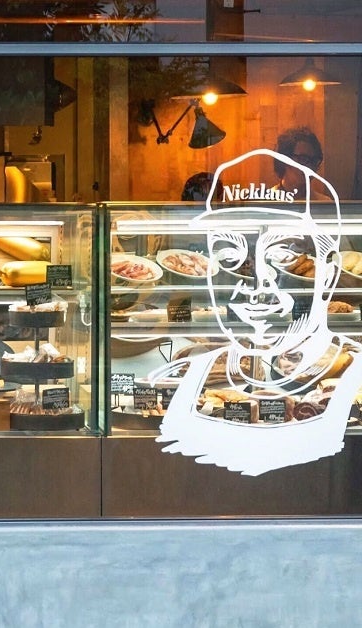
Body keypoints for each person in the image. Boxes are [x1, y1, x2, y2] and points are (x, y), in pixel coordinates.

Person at [148, 148, 359, 476]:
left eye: (280, 258)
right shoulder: (193, 368)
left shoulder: (345, 371)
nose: (258, 287)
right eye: (232, 259)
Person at [274, 126, 332, 200]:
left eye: (314, 161)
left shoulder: (324, 203)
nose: (309, 166)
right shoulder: (266, 202)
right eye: (303, 159)